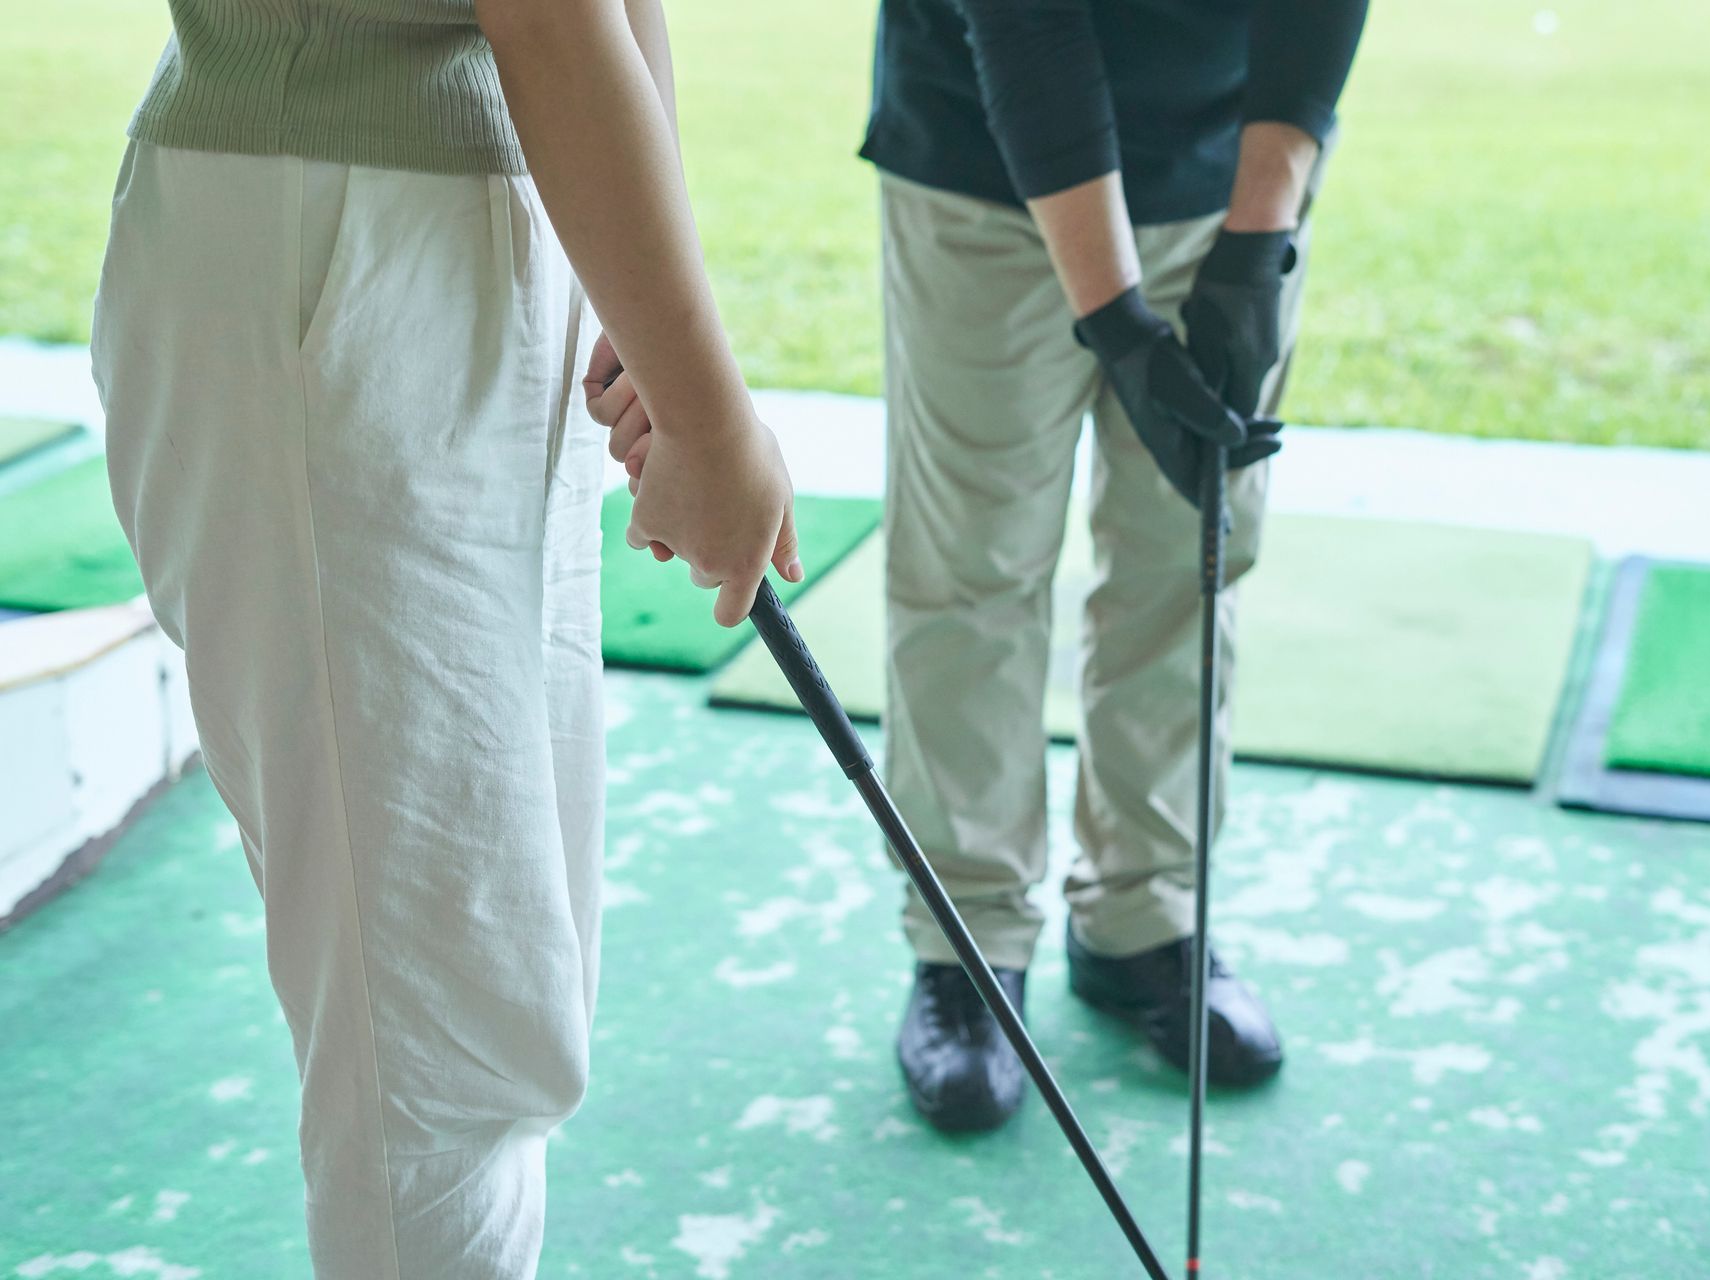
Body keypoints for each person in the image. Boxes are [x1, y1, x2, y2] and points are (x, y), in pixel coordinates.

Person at [91, 1, 797, 1274]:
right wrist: (706, 418)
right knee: (427, 1056)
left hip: (471, 224)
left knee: (503, 988)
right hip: (336, 240)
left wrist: (661, 335)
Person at [861, 0, 1369, 1131]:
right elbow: (1028, 31)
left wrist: (1257, 245)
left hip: (1223, 161)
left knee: (1190, 552)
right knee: (974, 566)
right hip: (982, 162)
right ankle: (968, 941)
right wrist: (1121, 327)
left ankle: (1145, 915)